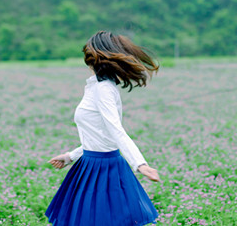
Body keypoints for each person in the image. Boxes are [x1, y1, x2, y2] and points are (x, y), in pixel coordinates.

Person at [45, 30, 161, 226]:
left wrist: (139, 164)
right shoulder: (96, 87)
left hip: (103, 170)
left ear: (94, 57)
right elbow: (101, 136)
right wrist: (71, 156)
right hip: (88, 165)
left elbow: (116, 131)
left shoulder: (103, 89)